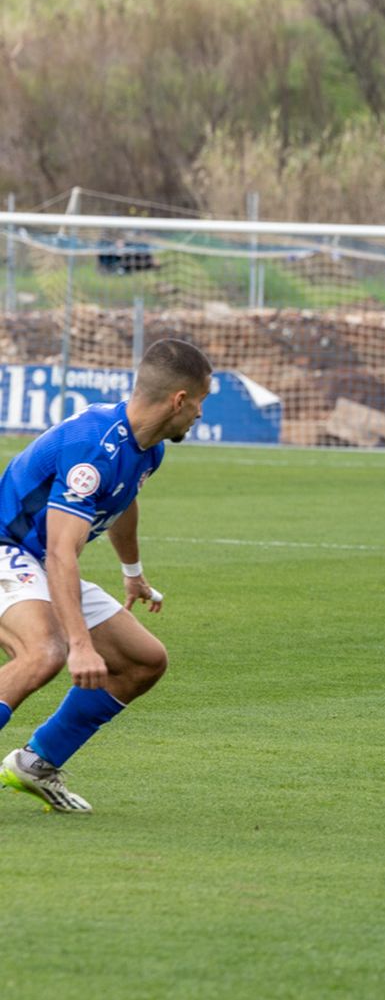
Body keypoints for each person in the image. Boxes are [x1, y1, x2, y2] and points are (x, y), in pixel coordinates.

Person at [0, 339, 212, 812]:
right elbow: (60, 553)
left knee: (144, 661)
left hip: (35, 560)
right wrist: (79, 644)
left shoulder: (146, 448)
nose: (199, 413)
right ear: (179, 400)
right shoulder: (93, 449)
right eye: (200, 401)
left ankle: (35, 764)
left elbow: (123, 502)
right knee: (45, 652)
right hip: (9, 551)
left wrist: (132, 572)